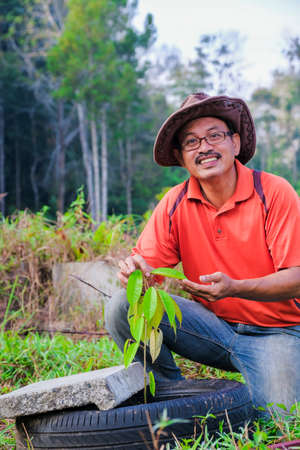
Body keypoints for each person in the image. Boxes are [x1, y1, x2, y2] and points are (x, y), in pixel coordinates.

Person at [105, 92, 300, 415]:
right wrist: (135, 273)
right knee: (121, 305)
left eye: (214, 136)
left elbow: (296, 279)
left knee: (274, 419)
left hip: (278, 332)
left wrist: (235, 287)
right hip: (213, 328)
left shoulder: (274, 192)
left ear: (235, 143)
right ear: (182, 158)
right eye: (192, 142)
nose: (205, 147)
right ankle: (168, 394)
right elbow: (148, 267)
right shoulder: (175, 202)